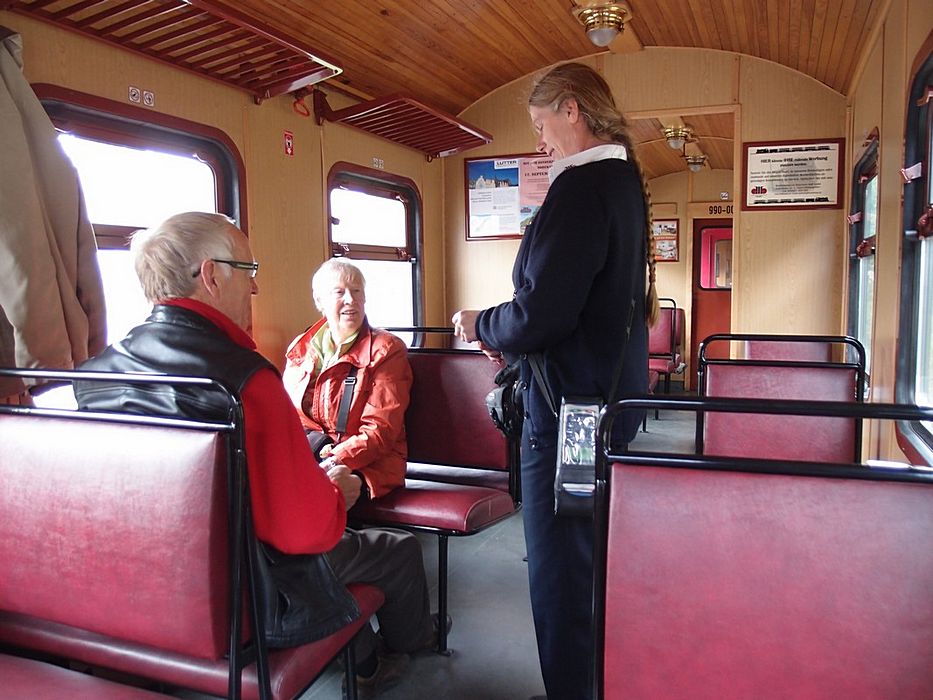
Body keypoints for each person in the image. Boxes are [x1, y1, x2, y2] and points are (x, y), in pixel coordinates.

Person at [73, 212, 434, 697]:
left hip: (138, 580)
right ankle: (405, 651)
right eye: (249, 270)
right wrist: (335, 493)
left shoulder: (96, 375)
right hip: (249, 586)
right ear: (211, 276)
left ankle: (361, 655)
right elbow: (304, 532)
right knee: (393, 549)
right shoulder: (247, 382)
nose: (256, 287)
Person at [451, 62, 659, 700]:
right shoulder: (623, 182)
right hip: (603, 401)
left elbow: (543, 312)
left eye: (541, 125)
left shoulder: (581, 188)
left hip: (570, 415)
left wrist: (482, 323)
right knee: (584, 559)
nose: (540, 142)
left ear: (573, 109)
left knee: (560, 570)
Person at [282, 258, 411, 501]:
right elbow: (289, 418)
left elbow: (380, 430)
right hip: (314, 453)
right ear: (319, 301)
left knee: (316, 492)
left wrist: (334, 459)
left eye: (356, 291)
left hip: (370, 465)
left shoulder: (387, 350)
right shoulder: (301, 349)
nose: (350, 299)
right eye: (339, 292)